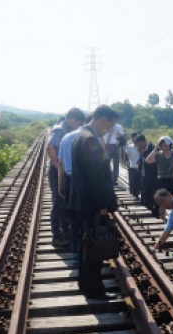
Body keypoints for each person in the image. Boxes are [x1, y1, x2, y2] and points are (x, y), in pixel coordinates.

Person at [69, 105, 120, 300]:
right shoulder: (90, 139)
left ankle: (86, 285)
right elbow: (96, 177)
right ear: (102, 120)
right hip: (91, 203)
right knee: (94, 246)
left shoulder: (79, 136)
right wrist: (103, 205)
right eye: (108, 126)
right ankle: (95, 290)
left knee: (86, 244)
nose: (107, 130)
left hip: (81, 201)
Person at [46, 108, 85, 247]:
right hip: (57, 170)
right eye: (78, 122)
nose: (78, 125)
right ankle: (57, 235)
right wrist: (58, 167)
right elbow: (50, 147)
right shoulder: (59, 129)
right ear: (72, 119)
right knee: (58, 203)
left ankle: (66, 232)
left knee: (64, 203)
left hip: (62, 170)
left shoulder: (66, 129)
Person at [57, 121, 85, 264]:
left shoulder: (66, 137)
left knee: (73, 220)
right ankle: (88, 252)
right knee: (89, 218)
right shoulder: (92, 137)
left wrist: (60, 185)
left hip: (69, 181)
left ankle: (75, 254)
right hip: (87, 182)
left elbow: (60, 164)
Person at [145, 136, 173, 219]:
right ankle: (162, 218)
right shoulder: (158, 155)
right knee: (161, 201)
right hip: (161, 179)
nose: (164, 147)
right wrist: (155, 149)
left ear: (170, 145)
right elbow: (148, 161)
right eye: (162, 145)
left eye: (166, 145)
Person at [135, 134, 159, 218]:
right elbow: (141, 160)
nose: (138, 146)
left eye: (139, 144)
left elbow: (150, 160)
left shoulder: (153, 148)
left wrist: (143, 153)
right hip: (143, 175)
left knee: (153, 194)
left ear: (143, 142)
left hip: (152, 176)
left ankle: (154, 214)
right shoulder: (141, 149)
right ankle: (146, 211)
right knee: (145, 194)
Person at [123, 132, 141, 199]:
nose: (134, 139)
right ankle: (132, 194)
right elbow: (126, 155)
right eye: (133, 137)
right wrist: (127, 162)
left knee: (138, 181)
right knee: (132, 181)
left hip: (139, 166)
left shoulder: (141, 146)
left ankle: (136, 194)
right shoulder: (129, 146)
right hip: (132, 166)